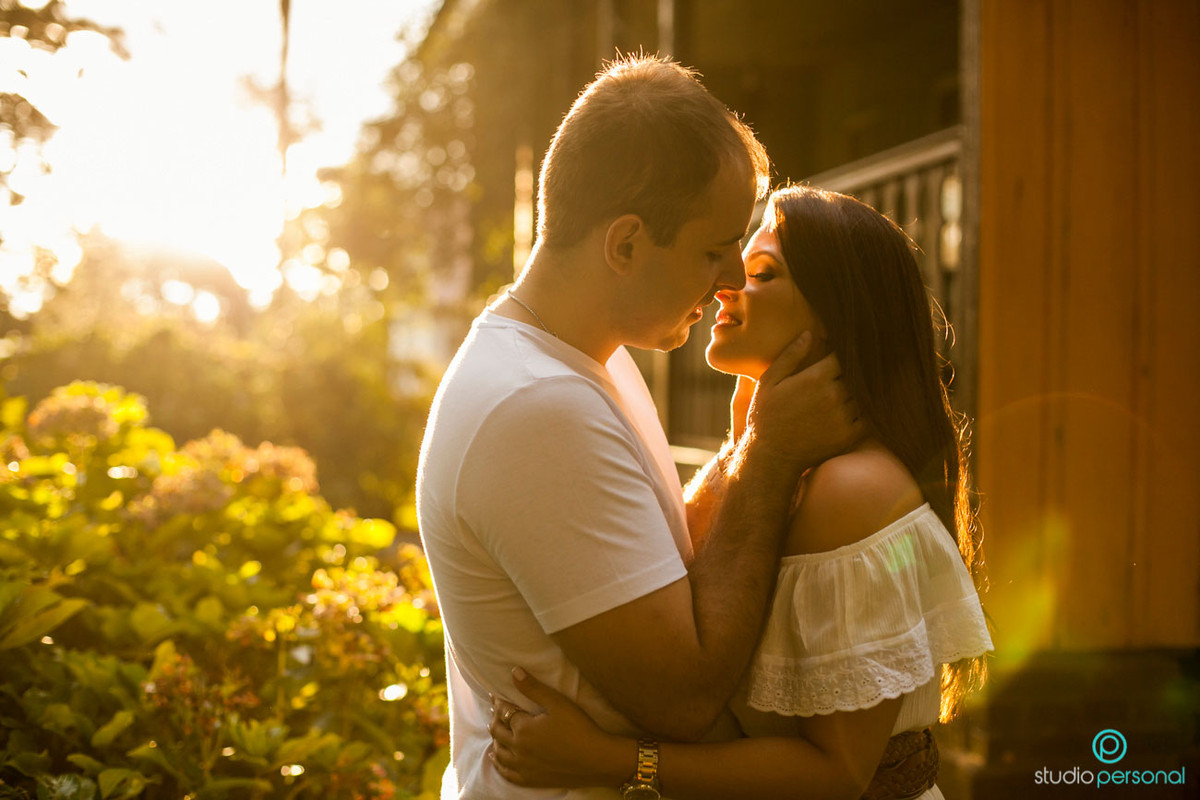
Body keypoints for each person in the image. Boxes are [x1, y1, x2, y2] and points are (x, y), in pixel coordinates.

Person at [416, 54, 865, 799]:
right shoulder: (535, 407)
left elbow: (663, 569)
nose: (729, 280)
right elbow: (684, 698)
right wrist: (770, 454)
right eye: (712, 249)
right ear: (624, 244)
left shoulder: (581, 362)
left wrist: (742, 449)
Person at [487, 185, 994, 800]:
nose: (726, 284)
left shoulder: (852, 491)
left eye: (762, 273)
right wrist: (752, 444)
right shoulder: (773, 458)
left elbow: (837, 776)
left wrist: (609, 760)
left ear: (836, 315)